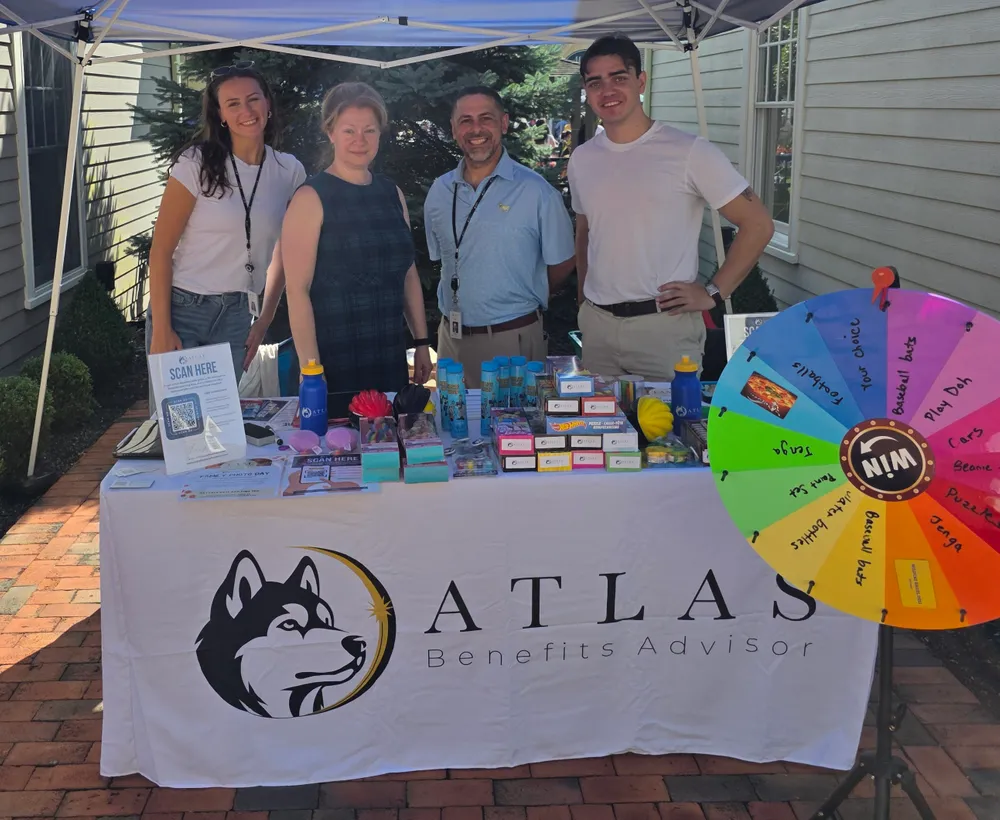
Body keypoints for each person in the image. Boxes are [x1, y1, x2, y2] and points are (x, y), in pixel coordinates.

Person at [567, 34, 775, 382]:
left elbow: (758, 224)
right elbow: (585, 232)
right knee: (600, 420)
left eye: (618, 77)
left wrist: (713, 292)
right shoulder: (582, 159)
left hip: (663, 328)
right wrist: (583, 304)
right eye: (595, 82)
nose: (608, 90)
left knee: (670, 421)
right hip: (598, 327)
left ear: (641, 81)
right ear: (587, 91)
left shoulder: (690, 152)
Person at [146, 61, 306, 382]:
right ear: (220, 114)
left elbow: (287, 253)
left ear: (267, 103)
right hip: (183, 311)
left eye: (253, 99)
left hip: (237, 315)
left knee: (221, 414)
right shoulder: (195, 164)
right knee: (180, 413)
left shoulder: (289, 171)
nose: (246, 110)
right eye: (233, 104)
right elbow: (161, 250)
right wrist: (162, 329)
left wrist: (264, 320)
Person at [281, 82, 432, 395]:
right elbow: (297, 291)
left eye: (369, 131)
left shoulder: (392, 193)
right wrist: (311, 371)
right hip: (332, 363)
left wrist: (421, 342)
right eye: (349, 130)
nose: (360, 140)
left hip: (388, 357)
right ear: (331, 132)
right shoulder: (310, 198)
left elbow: (407, 273)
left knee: (389, 428)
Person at [423, 86, 575, 387]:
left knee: (515, 419)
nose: (476, 129)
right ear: (453, 129)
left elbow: (564, 261)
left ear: (503, 123)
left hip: (512, 343)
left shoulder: (537, 192)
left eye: (486, 118)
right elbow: (445, 260)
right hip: (451, 342)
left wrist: (527, 292)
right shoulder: (439, 192)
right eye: (465, 120)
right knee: (451, 418)